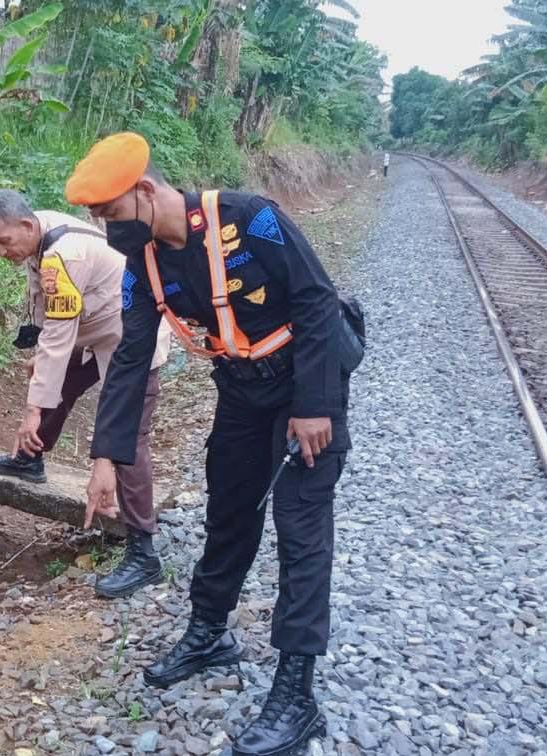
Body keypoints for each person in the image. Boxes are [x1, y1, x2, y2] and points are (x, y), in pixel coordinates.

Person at [67, 133, 357, 756]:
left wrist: (314, 406)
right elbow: (129, 358)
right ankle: (208, 632)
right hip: (243, 393)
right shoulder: (144, 263)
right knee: (227, 515)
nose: (107, 229)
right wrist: (104, 458)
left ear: (146, 191)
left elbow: (314, 300)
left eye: (112, 214)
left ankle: (297, 690)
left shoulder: (251, 219)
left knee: (301, 531)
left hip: (305, 384)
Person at [0, 188, 173, 598]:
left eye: (4, 243)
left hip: (132, 337)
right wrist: (46, 369)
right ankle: (29, 460)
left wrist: (33, 406)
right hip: (98, 324)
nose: (1, 253)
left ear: (26, 226)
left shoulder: (63, 255)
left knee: (128, 436)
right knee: (55, 381)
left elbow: (59, 335)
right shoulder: (40, 231)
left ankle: (142, 551)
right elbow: (53, 321)